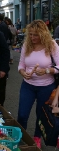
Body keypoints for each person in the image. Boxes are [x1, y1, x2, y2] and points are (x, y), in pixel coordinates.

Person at [17, 19, 59, 148]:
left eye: (35, 35)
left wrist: (48, 70)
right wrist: (23, 72)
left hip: (46, 86)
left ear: (43, 34)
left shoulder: (52, 45)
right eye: (30, 34)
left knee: (41, 115)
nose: (32, 37)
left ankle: (36, 137)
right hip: (28, 86)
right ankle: (21, 136)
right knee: (22, 114)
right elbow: (21, 65)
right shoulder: (27, 45)